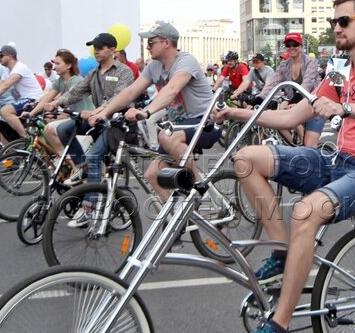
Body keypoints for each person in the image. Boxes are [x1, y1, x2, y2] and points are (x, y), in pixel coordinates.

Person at [216, 0, 355, 333]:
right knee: (247, 159)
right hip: (337, 161)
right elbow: (292, 117)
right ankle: (282, 250)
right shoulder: (339, 71)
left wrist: (342, 107)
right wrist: (238, 113)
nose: (336, 27)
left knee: (305, 212)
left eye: (343, 21)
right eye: (334, 22)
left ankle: (278, 329)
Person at [89, 21, 217, 203]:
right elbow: (130, 92)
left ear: (166, 43)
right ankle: (178, 214)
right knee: (152, 174)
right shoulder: (153, 66)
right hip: (179, 127)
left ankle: (199, 188)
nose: (147, 47)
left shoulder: (185, 61)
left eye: (151, 42)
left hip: (205, 121)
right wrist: (104, 113)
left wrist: (146, 112)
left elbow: (172, 89)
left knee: (166, 136)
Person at [48, 34, 135, 206]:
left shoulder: (124, 72)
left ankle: (90, 205)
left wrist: (96, 112)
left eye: (100, 48)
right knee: (63, 129)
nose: (96, 51)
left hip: (117, 123)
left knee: (94, 156)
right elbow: (76, 91)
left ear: (112, 50)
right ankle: (83, 168)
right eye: (95, 48)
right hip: (98, 121)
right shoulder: (94, 73)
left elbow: (118, 98)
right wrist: (57, 102)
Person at [28, 48, 94, 168]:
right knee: (48, 123)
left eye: (58, 64)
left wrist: (55, 103)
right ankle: (64, 160)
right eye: (55, 64)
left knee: (50, 129)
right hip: (73, 117)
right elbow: (47, 98)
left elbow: (69, 95)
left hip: (84, 118)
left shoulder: (76, 80)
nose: (55, 67)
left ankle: (72, 165)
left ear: (68, 65)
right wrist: (31, 113)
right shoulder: (59, 81)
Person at [260, 32, 324, 147]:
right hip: (295, 107)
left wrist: (294, 101)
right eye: (288, 45)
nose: (291, 47)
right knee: (275, 120)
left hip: (314, 107)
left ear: (301, 46)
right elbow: (272, 85)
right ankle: (293, 146)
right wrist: (258, 99)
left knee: (309, 148)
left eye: (295, 44)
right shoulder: (283, 65)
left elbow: (307, 84)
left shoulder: (311, 61)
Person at [0, 44, 43, 138]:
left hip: (33, 98)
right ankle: (7, 147)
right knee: (2, 125)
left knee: (5, 111)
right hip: (22, 99)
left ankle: (25, 137)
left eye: (1, 56)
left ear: (10, 56)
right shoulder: (7, 70)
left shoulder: (19, 67)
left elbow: (6, 85)